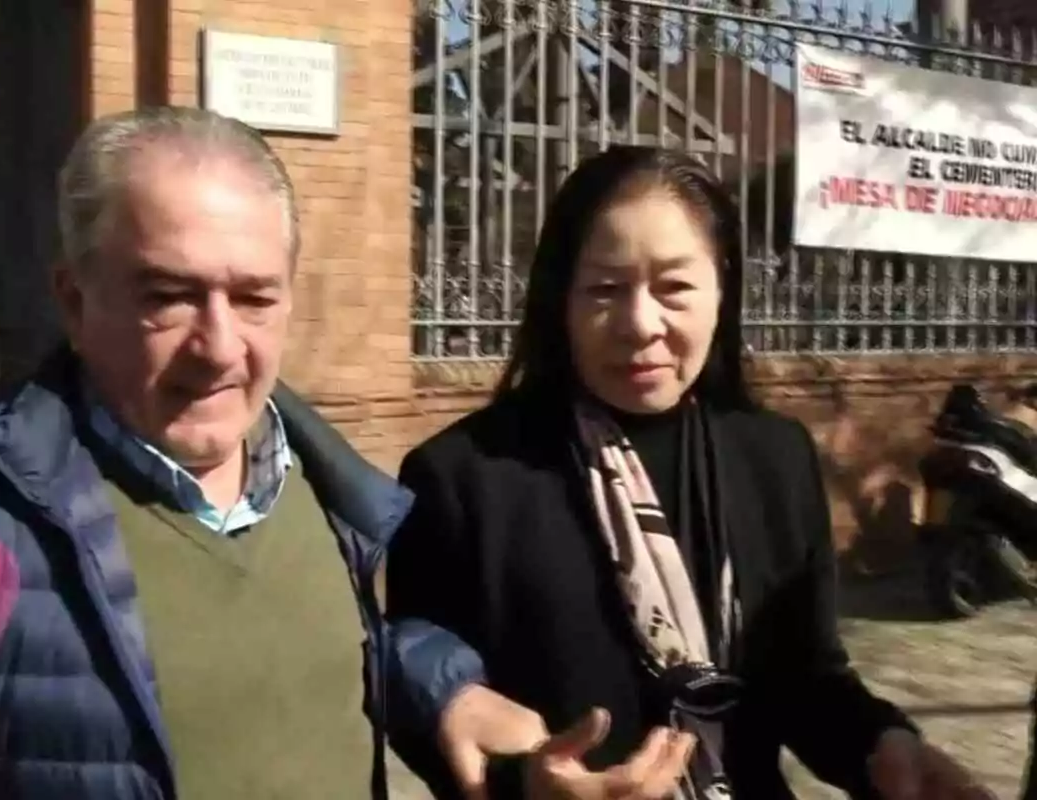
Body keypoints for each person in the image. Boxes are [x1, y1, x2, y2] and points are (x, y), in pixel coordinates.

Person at [0, 107, 430, 800]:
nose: (219, 347)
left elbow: (307, 664)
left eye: (254, 298)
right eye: (170, 297)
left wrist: (449, 693)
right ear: (74, 299)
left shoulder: (335, 494)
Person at [385, 147, 993, 800]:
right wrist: (526, 782)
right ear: (560, 298)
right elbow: (430, 715)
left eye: (673, 288)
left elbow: (805, 678)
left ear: (722, 288)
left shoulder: (774, 457)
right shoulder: (463, 479)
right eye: (605, 290)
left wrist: (880, 744)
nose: (641, 324)